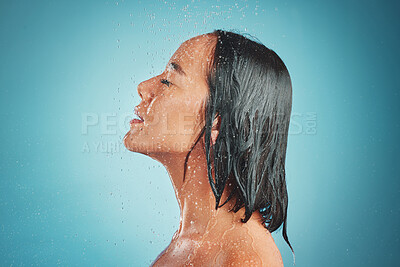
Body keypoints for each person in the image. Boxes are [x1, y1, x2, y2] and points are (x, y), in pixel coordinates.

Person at [123, 29, 293, 266]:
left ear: (218, 123)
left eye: (168, 81)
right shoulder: (192, 240)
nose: (144, 87)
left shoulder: (245, 259)